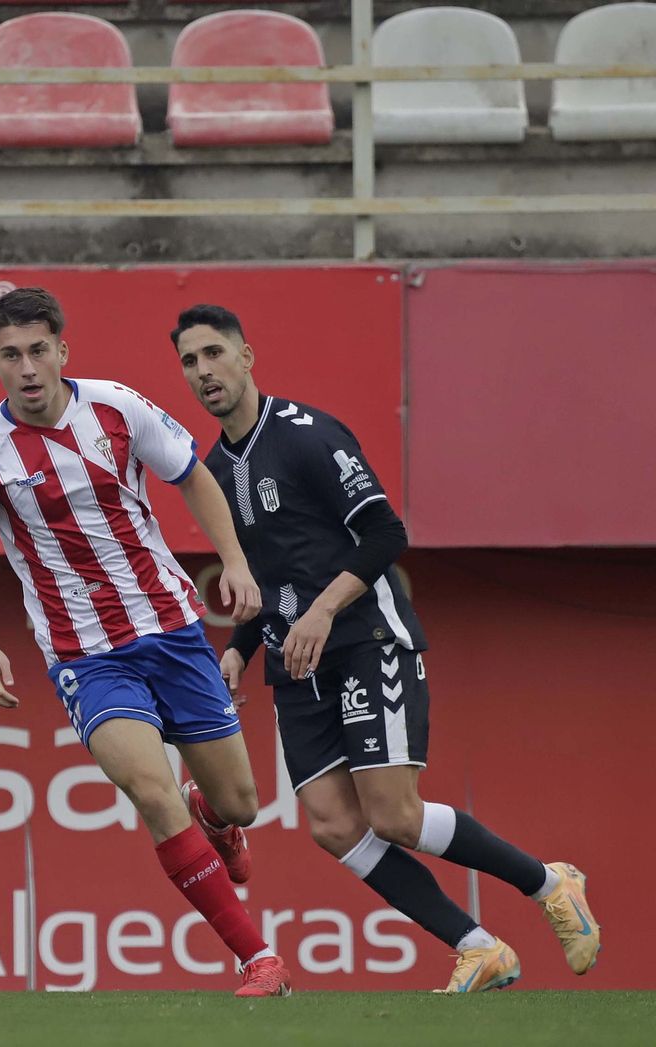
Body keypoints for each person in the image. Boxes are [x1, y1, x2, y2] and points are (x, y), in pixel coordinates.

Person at [171, 302, 602, 994]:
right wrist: (238, 648)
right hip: (295, 663)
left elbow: (383, 533)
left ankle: (551, 882)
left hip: (365, 640)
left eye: (214, 353)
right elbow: (267, 573)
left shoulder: (308, 434)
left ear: (247, 356)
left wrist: (322, 610)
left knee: (394, 813)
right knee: (334, 825)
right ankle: (479, 945)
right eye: (190, 361)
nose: (203, 371)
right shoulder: (213, 470)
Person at [0, 287, 292, 997]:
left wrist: (234, 560)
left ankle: (216, 818)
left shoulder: (118, 407)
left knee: (242, 801)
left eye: (40, 350)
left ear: (63, 350)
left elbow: (192, 475)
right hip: (86, 656)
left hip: (171, 628)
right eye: (12, 356)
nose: (29, 368)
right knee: (151, 792)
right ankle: (259, 957)